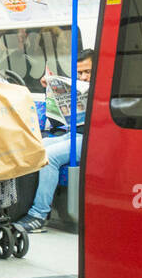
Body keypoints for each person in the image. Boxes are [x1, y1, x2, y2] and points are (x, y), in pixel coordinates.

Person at [15, 49, 94, 234]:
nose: (83, 77)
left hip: (94, 139)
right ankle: (20, 206)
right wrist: (50, 89)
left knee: (49, 157)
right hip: (75, 133)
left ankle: (38, 215)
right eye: (79, 73)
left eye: (88, 72)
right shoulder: (80, 86)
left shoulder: (106, 87)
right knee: (36, 147)